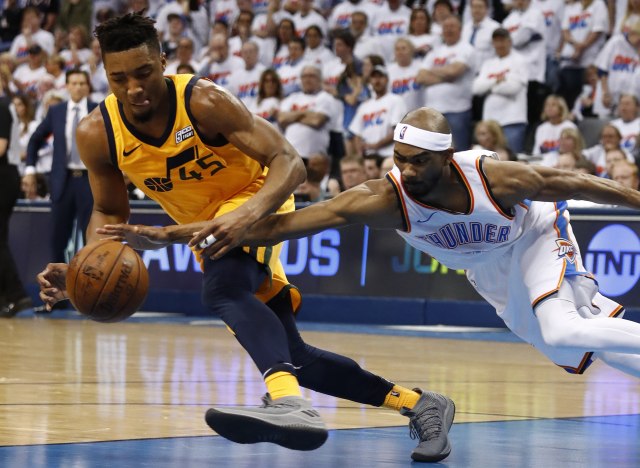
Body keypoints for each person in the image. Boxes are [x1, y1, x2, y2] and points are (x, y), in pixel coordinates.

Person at [35, 14, 455, 463]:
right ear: (104, 73)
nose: (134, 88)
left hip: (256, 200)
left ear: (163, 61)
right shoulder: (97, 132)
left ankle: (290, 405)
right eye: (119, 78)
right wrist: (86, 267)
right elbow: (109, 211)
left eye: (143, 73)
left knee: (223, 288)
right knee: (293, 355)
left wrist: (246, 218)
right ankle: (420, 404)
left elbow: (289, 161)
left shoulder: (203, 101)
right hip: (205, 226)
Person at [212, 106, 640, 384]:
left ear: (448, 157)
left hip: (535, 235)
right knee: (578, 341)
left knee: (562, 327)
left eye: (419, 161)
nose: (408, 170)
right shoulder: (384, 199)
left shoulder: (495, 178)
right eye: (400, 158)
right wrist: (203, 230)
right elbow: (287, 225)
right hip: (490, 269)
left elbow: (579, 183)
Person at [24, 68, 97, 265]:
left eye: (82, 83)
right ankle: (58, 281)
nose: (78, 87)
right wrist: (30, 170)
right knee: (57, 239)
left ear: (88, 86)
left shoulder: (98, 110)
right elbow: (35, 139)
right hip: (62, 181)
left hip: (89, 180)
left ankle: (89, 280)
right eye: (74, 83)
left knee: (92, 237)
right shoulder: (56, 111)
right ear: (67, 86)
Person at [0, 97, 32, 317]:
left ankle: (17, 295)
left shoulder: (1, 108)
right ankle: (7, 297)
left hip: (3, 178)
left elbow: (1, 147)